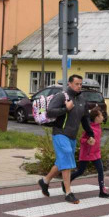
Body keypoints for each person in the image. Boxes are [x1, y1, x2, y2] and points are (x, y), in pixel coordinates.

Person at [38, 75, 95, 204]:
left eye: (81, 84)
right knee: (68, 157)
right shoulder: (62, 96)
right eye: (76, 84)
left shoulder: (82, 99)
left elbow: (85, 119)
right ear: (69, 84)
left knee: (62, 162)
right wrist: (66, 109)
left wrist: (91, 134)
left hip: (71, 136)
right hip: (60, 133)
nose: (79, 86)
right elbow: (50, 112)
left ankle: (45, 181)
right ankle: (68, 193)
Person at [66, 107, 109, 198]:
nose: (103, 117)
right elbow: (81, 140)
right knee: (80, 171)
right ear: (96, 117)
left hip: (96, 153)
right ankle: (67, 181)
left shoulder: (98, 127)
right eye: (101, 115)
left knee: (100, 171)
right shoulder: (89, 128)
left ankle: (102, 191)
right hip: (86, 154)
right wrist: (87, 141)